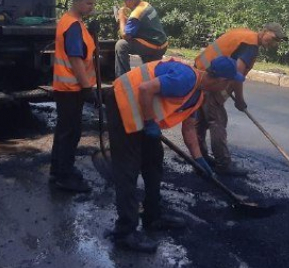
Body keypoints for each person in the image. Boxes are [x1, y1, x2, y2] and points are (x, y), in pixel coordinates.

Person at [105, 56, 245, 253]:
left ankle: (153, 217)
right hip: (122, 102)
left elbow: (189, 129)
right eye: (229, 82)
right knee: (128, 168)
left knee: (154, 162)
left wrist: (198, 159)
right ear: (221, 80)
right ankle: (124, 233)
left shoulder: (198, 94)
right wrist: (150, 122)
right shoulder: (185, 79)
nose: (228, 86)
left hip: (143, 113)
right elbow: (145, 89)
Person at [194, 23, 287, 177]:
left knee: (202, 120)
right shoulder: (251, 45)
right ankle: (223, 164)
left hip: (201, 73)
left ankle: (200, 158)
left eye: (278, 41)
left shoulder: (244, 34)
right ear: (264, 31)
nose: (274, 43)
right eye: (274, 38)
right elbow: (237, 74)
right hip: (211, 80)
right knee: (217, 121)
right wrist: (239, 100)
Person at [49, 0, 99, 193]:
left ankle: (61, 169)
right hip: (71, 89)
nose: (91, 7)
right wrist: (88, 87)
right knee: (69, 133)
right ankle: (62, 176)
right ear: (77, 1)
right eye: (88, 3)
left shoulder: (72, 21)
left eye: (93, 4)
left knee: (67, 131)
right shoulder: (72, 25)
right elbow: (76, 59)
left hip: (68, 88)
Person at [114, 0, 168, 76]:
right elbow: (140, 24)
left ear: (128, 0)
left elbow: (125, 35)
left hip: (152, 46)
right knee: (150, 73)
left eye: (124, 0)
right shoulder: (146, 5)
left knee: (121, 45)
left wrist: (121, 18)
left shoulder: (136, 13)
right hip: (162, 44)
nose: (124, 3)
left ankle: (123, 78)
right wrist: (126, 20)